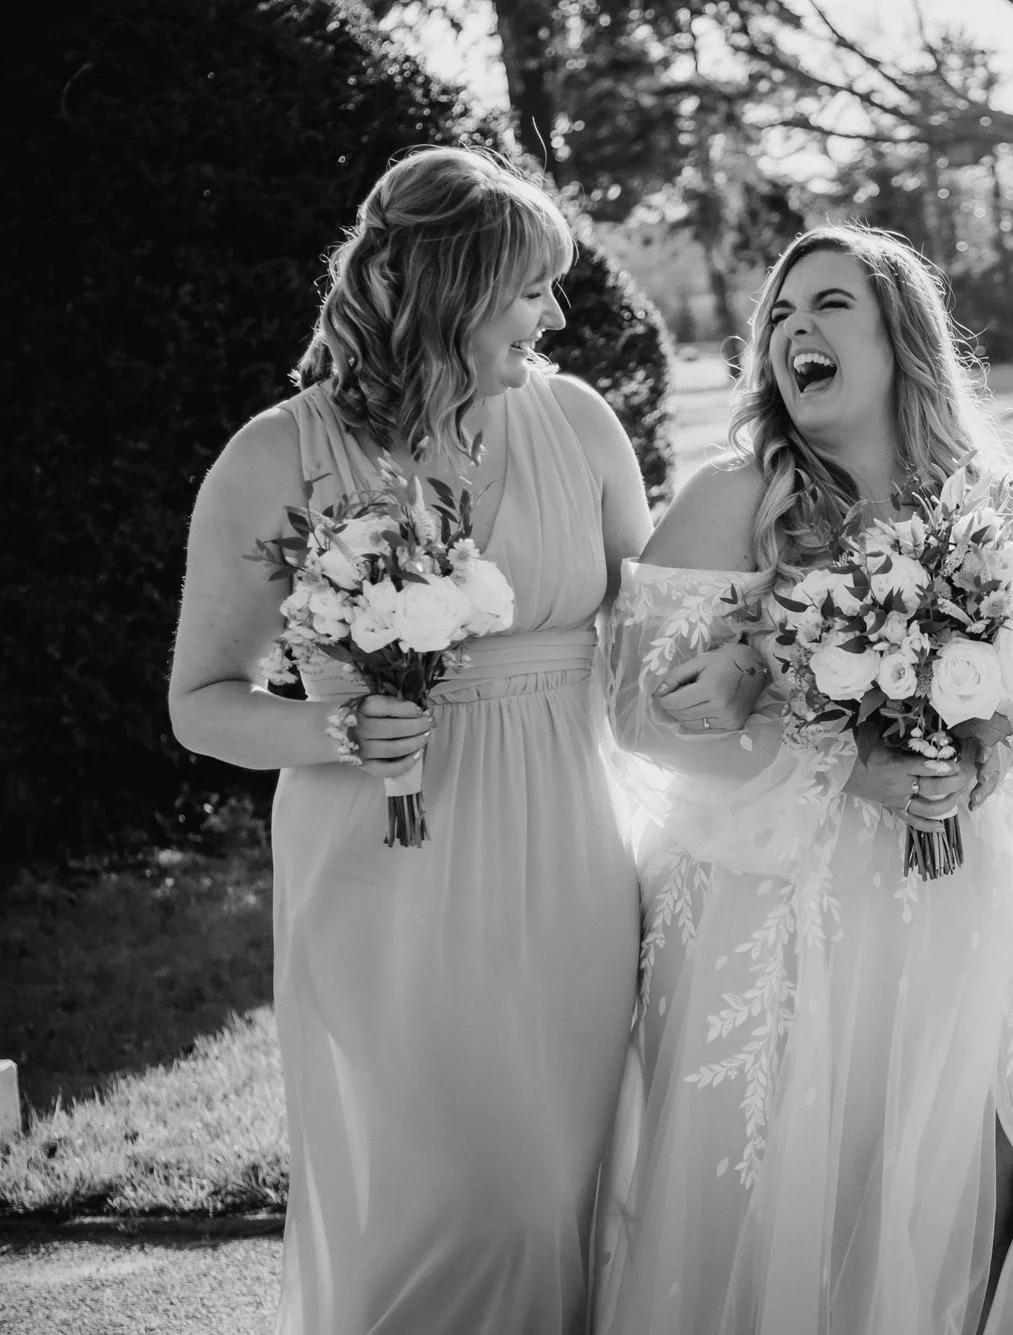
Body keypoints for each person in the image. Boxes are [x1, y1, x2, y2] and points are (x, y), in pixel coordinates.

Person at [167, 145, 724, 1333]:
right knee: (462, 1193)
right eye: (532, 289)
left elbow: (649, 632)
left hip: (569, 850)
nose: (557, 315)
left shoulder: (576, 420)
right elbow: (202, 700)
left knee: (558, 1184)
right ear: (449, 290)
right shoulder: (279, 453)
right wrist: (336, 726)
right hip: (384, 867)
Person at [591, 224, 1013, 1334]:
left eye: (828, 306)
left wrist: (982, 754)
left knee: (932, 1175)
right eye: (780, 316)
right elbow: (634, 715)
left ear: (900, 338)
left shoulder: (993, 501)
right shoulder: (734, 494)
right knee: (765, 1196)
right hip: (766, 907)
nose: (794, 329)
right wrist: (843, 763)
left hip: (950, 898)